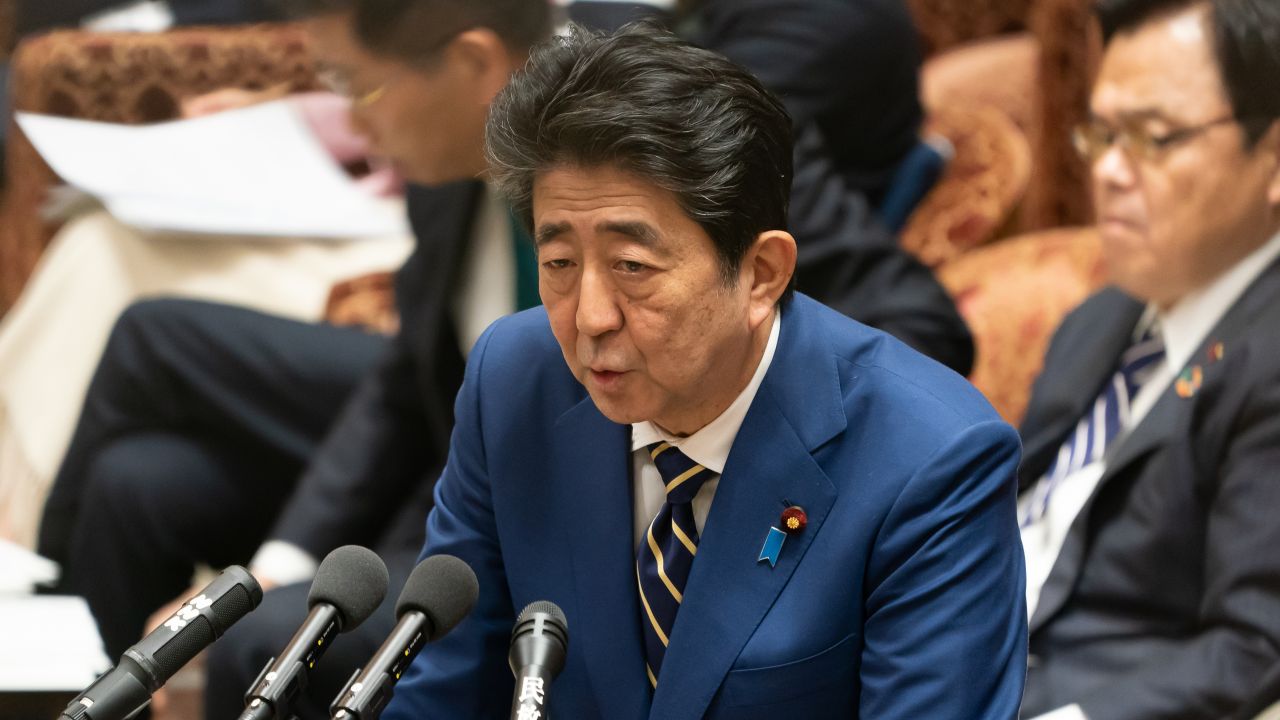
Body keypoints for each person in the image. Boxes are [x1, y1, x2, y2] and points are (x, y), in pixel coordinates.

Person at [383, 24, 1026, 720]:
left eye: (633, 267)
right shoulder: (515, 379)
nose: (590, 316)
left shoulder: (931, 462)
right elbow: (439, 691)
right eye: (560, 265)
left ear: (761, 273)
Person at [1016, 1, 1280, 718]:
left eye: (1152, 138)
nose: (1108, 171)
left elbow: (1256, 648)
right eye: (1101, 135)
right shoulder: (1101, 317)